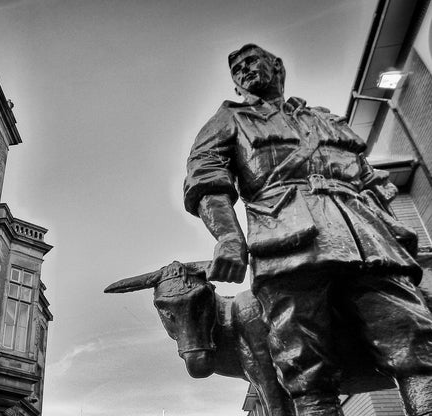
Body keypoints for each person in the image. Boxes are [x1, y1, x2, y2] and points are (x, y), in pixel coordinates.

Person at [183, 43, 432, 415]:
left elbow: (372, 182)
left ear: (277, 65)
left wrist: (396, 232)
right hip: (287, 243)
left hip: (367, 242)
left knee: (415, 340)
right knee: (304, 365)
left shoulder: (325, 119)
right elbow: (207, 180)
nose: (245, 69)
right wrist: (230, 237)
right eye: (237, 69)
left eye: (253, 60)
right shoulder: (229, 119)